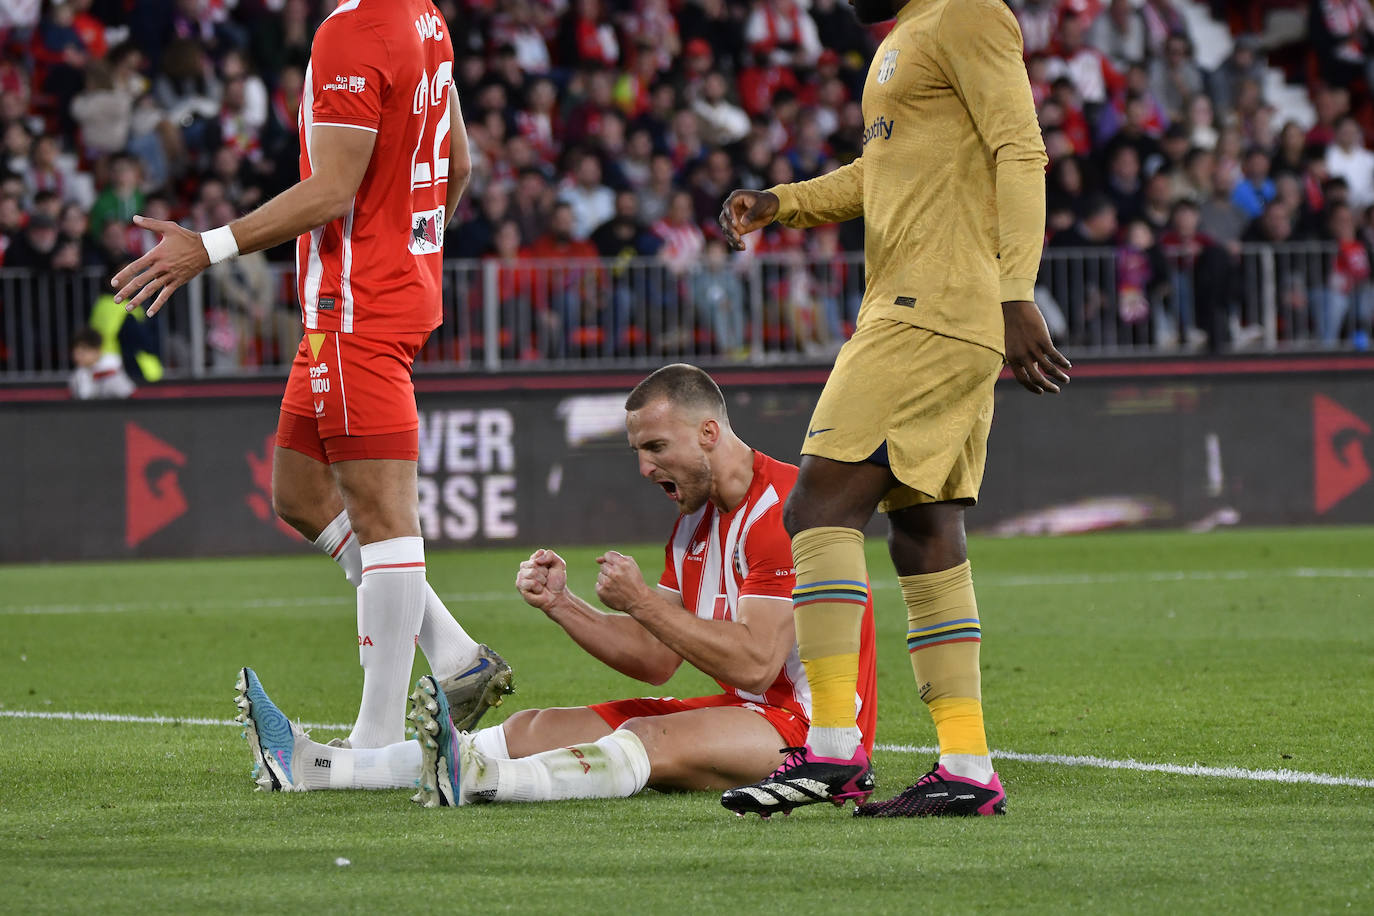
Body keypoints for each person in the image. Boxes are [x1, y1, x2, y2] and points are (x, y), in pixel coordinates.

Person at [111, 0, 513, 763]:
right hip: (377, 294)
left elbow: (332, 190)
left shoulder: (352, 31)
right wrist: (413, 250)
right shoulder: (424, 18)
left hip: (355, 306)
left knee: (385, 517)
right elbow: (458, 162)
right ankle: (456, 654)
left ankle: (379, 744)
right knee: (299, 493)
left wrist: (209, 247)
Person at [716, 0, 1067, 819]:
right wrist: (783, 203)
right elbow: (885, 174)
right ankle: (967, 765)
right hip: (928, 306)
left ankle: (833, 749)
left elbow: (1021, 150)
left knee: (817, 506)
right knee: (923, 531)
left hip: (932, 305)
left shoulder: (970, 13)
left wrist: (1018, 288)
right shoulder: (905, 41)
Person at [234, 365, 879, 806]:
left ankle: (483, 783)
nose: (645, 466)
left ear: (710, 433)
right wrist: (564, 607)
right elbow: (657, 663)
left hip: (813, 731)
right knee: (535, 725)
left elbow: (759, 663)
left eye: (655, 446)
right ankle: (320, 768)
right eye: (636, 450)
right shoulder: (693, 528)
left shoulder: (785, 510)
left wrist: (643, 603)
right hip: (748, 715)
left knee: (649, 742)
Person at [68, 327, 135, 399]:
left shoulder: (112, 371)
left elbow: (126, 396)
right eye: (76, 352)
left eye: (83, 352)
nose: (77, 356)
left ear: (97, 351)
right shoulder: (77, 375)